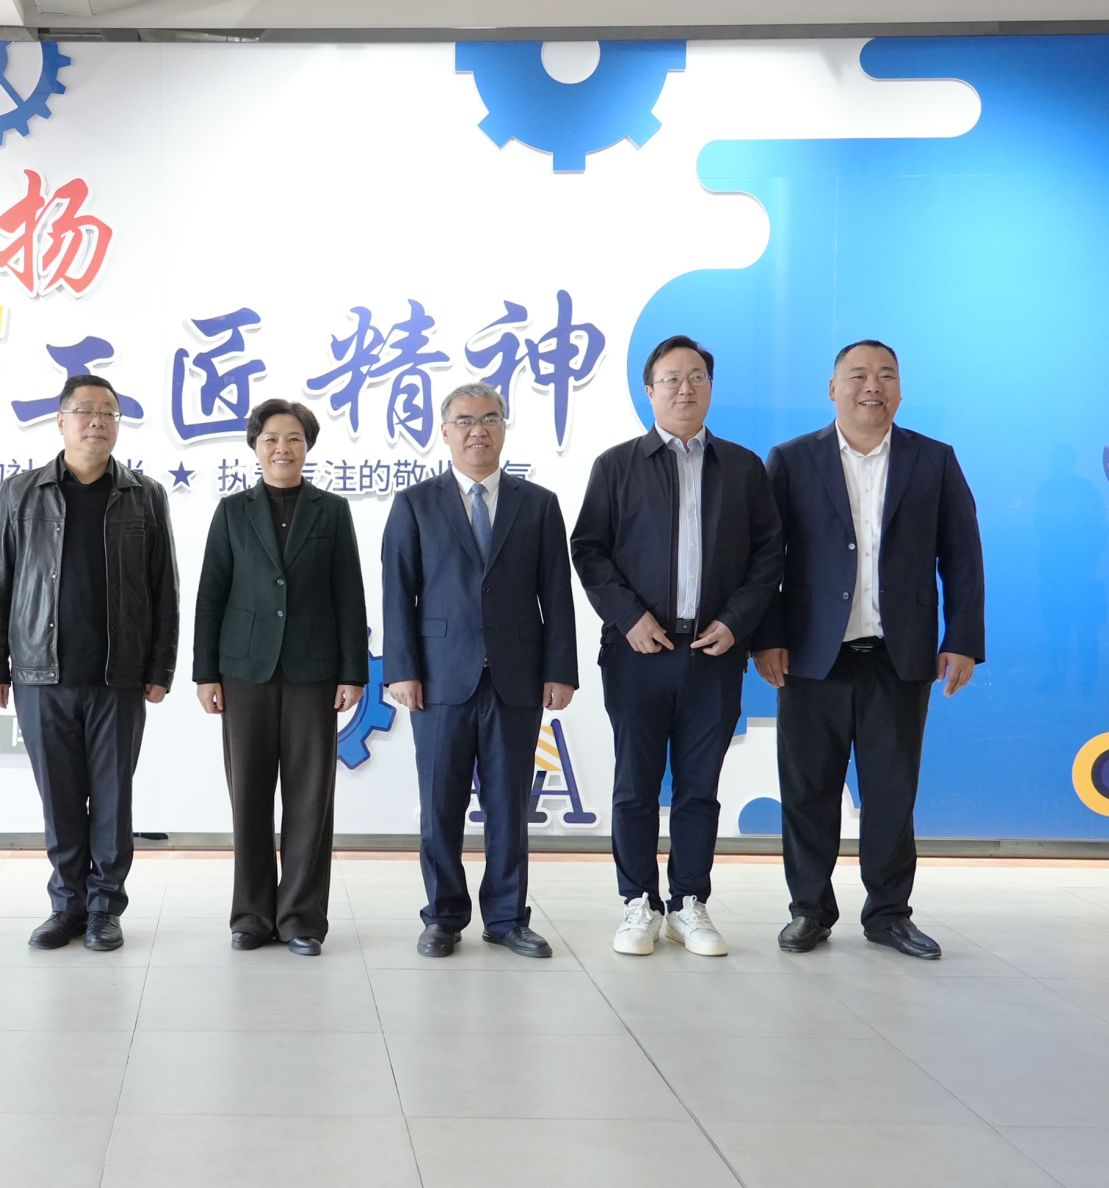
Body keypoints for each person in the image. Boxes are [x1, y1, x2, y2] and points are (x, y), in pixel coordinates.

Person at [753, 340, 984, 960]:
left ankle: (888, 914)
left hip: (898, 655)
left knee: (892, 792)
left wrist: (962, 639)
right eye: (857, 375)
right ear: (833, 389)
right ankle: (809, 910)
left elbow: (962, 555)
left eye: (885, 375)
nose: (872, 386)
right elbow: (765, 560)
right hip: (812, 657)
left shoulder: (933, 460)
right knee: (808, 792)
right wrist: (768, 637)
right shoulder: (792, 460)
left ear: (900, 390)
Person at [571, 335, 783, 958]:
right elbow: (589, 549)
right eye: (670, 378)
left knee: (699, 786)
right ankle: (638, 901)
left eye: (696, 377)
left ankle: (690, 901)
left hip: (714, 653)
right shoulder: (616, 466)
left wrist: (737, 623)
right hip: (638, 652)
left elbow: (768, 556)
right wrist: (629, 616)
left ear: (710, 388)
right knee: (635, 784)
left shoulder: (742, 468)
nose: (684, 388)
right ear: (650, 390)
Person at [0, 375, 178, 953]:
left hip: (119, 675)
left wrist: (160, 667)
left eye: (108, 413)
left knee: (112, 800)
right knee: (60, 799)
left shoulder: (144, 495)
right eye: (85, 411)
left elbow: (164, 587)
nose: (97, 422)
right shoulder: (22, 492)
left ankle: (104, 909)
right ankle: (65, 905)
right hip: (41, 673)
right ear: (61, 421)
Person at [381, 382, 579, 959]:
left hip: (516, 678)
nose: (478, 431)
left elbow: (556, 593)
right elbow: (398, 592)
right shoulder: (415, 503)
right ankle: (443, 916)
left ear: (504, 427)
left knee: (509, 806)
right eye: (465, 421)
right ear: (445, 432)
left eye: (490, 418)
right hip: (439, 679)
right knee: (440, 804)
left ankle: (507, 917)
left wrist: (560, 669)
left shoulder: (537, 504)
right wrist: (401, 669)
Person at [193, 399, 368, 955]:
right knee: (248, 795)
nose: (282, 449)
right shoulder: (232, 511)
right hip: (244, 670)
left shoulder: (332, 511)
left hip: (313, 671)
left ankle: (300, 919)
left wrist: (353, 672)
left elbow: (349, 594)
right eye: (271, 439)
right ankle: (250, 916)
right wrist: (205, 673)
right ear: (255, 446)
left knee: (310, 797)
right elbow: (211, 594)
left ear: (307, 447)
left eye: (293, 439)